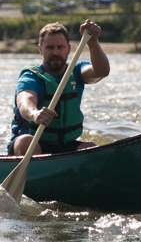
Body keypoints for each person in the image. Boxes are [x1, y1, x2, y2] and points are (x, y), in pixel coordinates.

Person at [9, 19, 109, 156]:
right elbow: (24, 101)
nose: (55, 52)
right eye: (50, 47)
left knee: (90, 147)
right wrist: (35, 114)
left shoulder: (77, 71)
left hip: (64, 145)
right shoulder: (31, 77)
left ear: (68, 49)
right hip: (33, 143)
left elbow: (102, 71)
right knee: (26, 142)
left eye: (60, 47)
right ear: (40, 50)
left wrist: (92, 41)